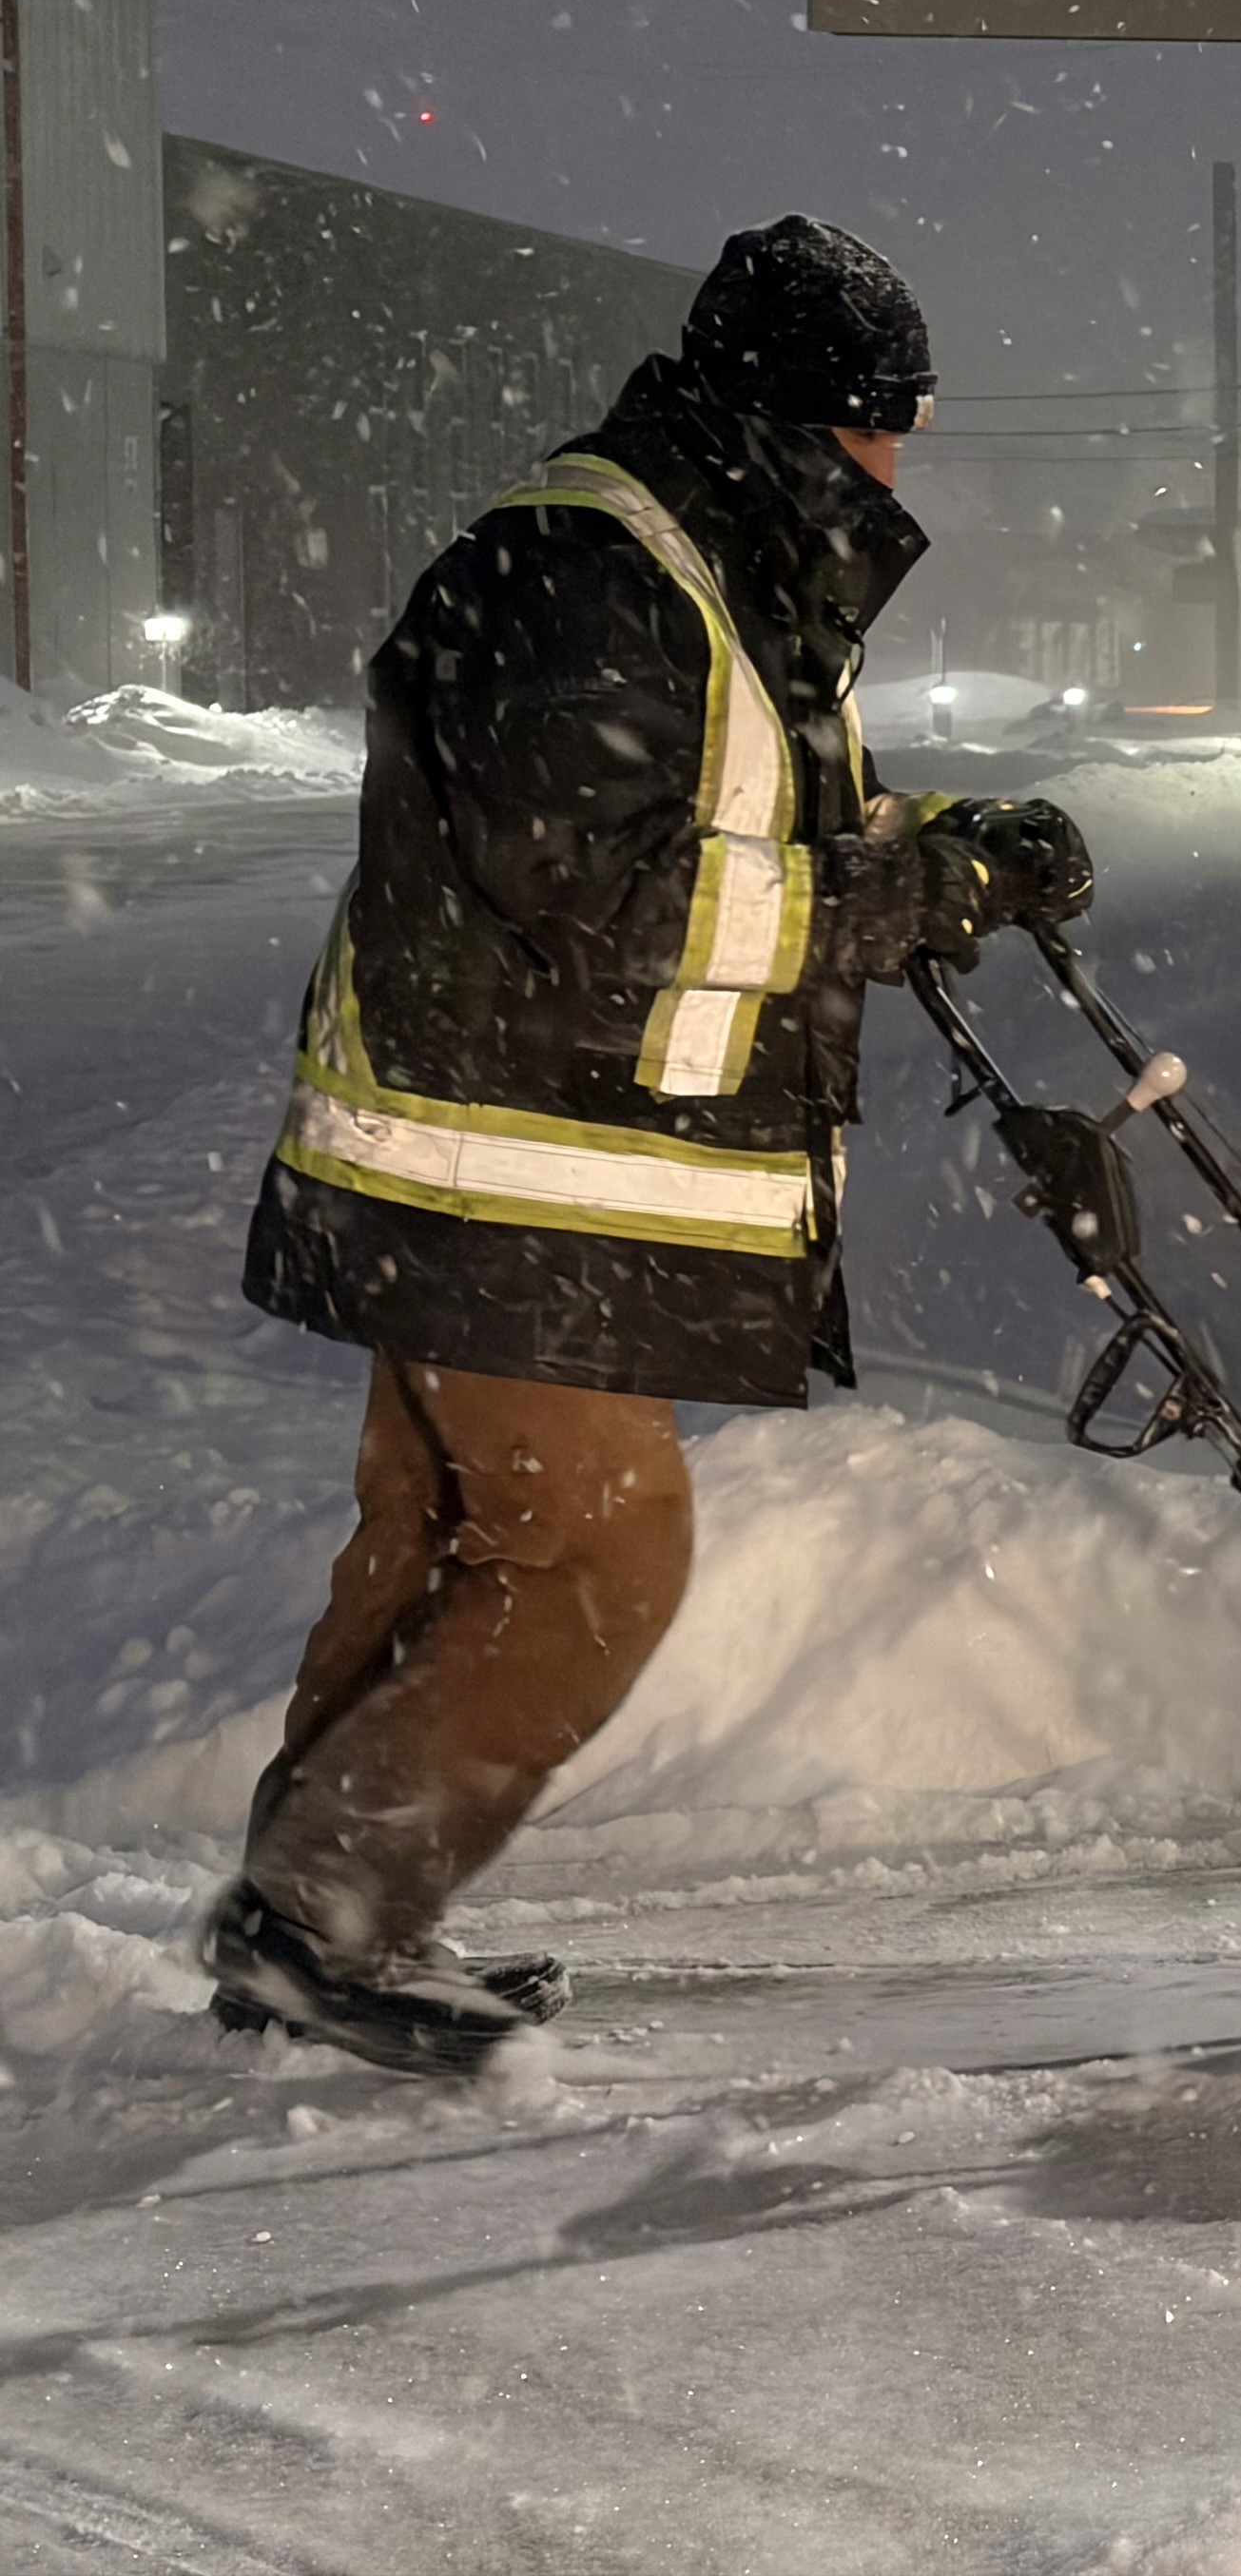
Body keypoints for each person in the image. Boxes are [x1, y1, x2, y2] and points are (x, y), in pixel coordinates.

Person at [199, 215, 1092, 2076]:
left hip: (482, 1170)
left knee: (444, 1536)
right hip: (503, 1173)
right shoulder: (591, 571)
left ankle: (323, 1913)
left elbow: (747, 822)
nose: (893, 465)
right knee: (601, 1557)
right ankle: (326, 1916)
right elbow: (611, 903)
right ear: (780, 417)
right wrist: (922, 890)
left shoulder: (692, 568)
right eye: (874, 425)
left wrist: (951, 848)